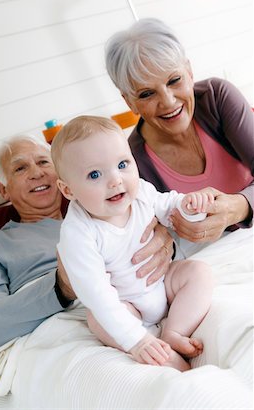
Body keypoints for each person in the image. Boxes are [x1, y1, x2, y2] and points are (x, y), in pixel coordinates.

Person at [0, 134, 171, 358]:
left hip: (147, 298)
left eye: (43, 162)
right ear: (4, 190)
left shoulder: (112, 210)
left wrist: (168, 247)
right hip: (69, 324)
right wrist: (61, 286)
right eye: (20, 168)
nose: (37, 173)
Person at [51, 115, 214, 372]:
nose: (115, 179)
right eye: (94, 174)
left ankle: (174, 331)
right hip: (126, 304)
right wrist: (137, 341)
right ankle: (160, 354)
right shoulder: (78, 233)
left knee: (199, 272)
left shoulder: (141, 193)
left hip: (163, 284)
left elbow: (169, 206)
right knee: (98, 318)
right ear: (68, 190)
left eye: (123, 164)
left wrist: (191, 207)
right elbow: (97, 294)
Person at [105, 18, 253, 259]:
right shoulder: (134, 161)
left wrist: (239, 207)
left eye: (174, 80)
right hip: (215, 259)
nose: (168, 102)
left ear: (189, 71)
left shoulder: (217, 97)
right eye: (147, 93)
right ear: (129, 101)